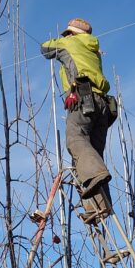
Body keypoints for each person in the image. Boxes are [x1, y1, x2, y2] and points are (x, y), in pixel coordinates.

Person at [41, 18, 118, 223]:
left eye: (67, 34)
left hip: (83, 98)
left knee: (75, 139)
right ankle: (99, 206)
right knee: (91, 153)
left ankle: (96, 180)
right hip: (102, 106)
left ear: (72, 34)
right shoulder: (93, 51)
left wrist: (60, 41)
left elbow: (45, 48)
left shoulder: (71, 43)